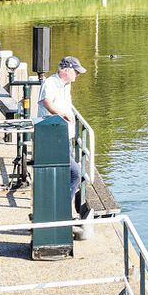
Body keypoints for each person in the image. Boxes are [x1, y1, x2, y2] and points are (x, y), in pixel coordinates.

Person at [41, 56, 87, 213]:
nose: (78, 75)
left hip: (64, 136)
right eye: (76, 72)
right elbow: (46, 102)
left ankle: (58, 208)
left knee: (69, 174)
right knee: (75, 174)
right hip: (53, 137)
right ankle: (62, 210)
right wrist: (63, 114)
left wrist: (70, 114)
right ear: (66, 70)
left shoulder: (66, 85)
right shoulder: (50, 83)